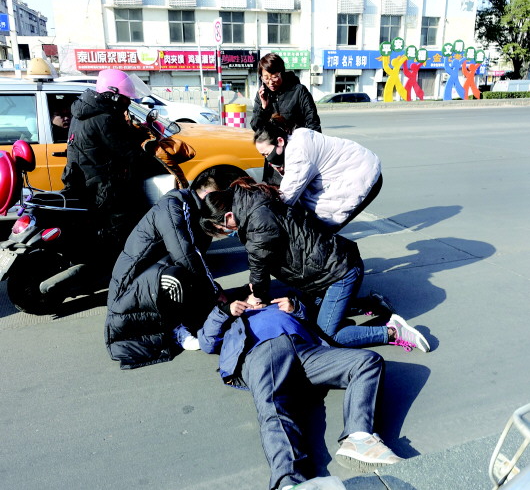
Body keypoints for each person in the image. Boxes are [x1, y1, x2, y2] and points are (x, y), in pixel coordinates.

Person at [198, 292, 403, 490]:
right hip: (263, 351)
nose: (257, 299)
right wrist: (224, 311)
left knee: (367, 361)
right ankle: (290, 481)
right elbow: (207, 342)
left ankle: (359, 437)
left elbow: (317, 323)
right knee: (274, 406)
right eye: (251, 297)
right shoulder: (233, 319)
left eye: (259, 295)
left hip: (306, 350)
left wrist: (296, 308)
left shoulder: (278, 304)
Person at [200, 177, 429, 352]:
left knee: (328, 334)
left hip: (338, 272)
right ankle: (371, 304)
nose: (227, 232)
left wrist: (256, 296)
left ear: (228, 216)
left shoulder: (257, 221)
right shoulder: (251, 201)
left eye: (222, 229)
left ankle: (393, 332)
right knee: (311, 309)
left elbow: (258, 264)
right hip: (331, 265)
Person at [105, 169, 232, 369]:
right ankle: (175, 329)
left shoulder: (194, 211)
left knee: (191, 278)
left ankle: (189, 320)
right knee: (176, 277)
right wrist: (215, 291)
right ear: (209, 195)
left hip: (149, 279)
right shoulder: (174, 207)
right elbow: (185, 255)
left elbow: (196, 261)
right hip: (129, 291)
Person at [61, 68, 162, 261]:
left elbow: (111, 138)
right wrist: (153, 155)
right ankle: (124, 264)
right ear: (113, 96)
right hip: (103, 186)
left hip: (83, 180)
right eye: (125, 98)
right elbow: (128, 152)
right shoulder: (105, 118)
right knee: (129, 220)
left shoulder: (86, 112)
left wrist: (138, 131)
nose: (128, 102)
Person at [254, 114, 383, 232]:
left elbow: (287, 196)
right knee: (314, 224)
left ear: (280, 141)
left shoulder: (298, 153)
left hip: (362, 175)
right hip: (359, 165)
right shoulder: (297, 137)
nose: (267, 159)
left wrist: (262, 218)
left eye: (266, 154)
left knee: (322, 230)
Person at [250, 53, 321, 185]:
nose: (270, 82)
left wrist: (304, 151)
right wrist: (264, 107)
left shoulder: (299, 91)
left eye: (274, 77)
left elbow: (314, 125)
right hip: (274, 160)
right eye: (266, 78)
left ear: (282, 73)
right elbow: (257, 128)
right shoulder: (262, 95)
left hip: (297, 157)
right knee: (275, 194)